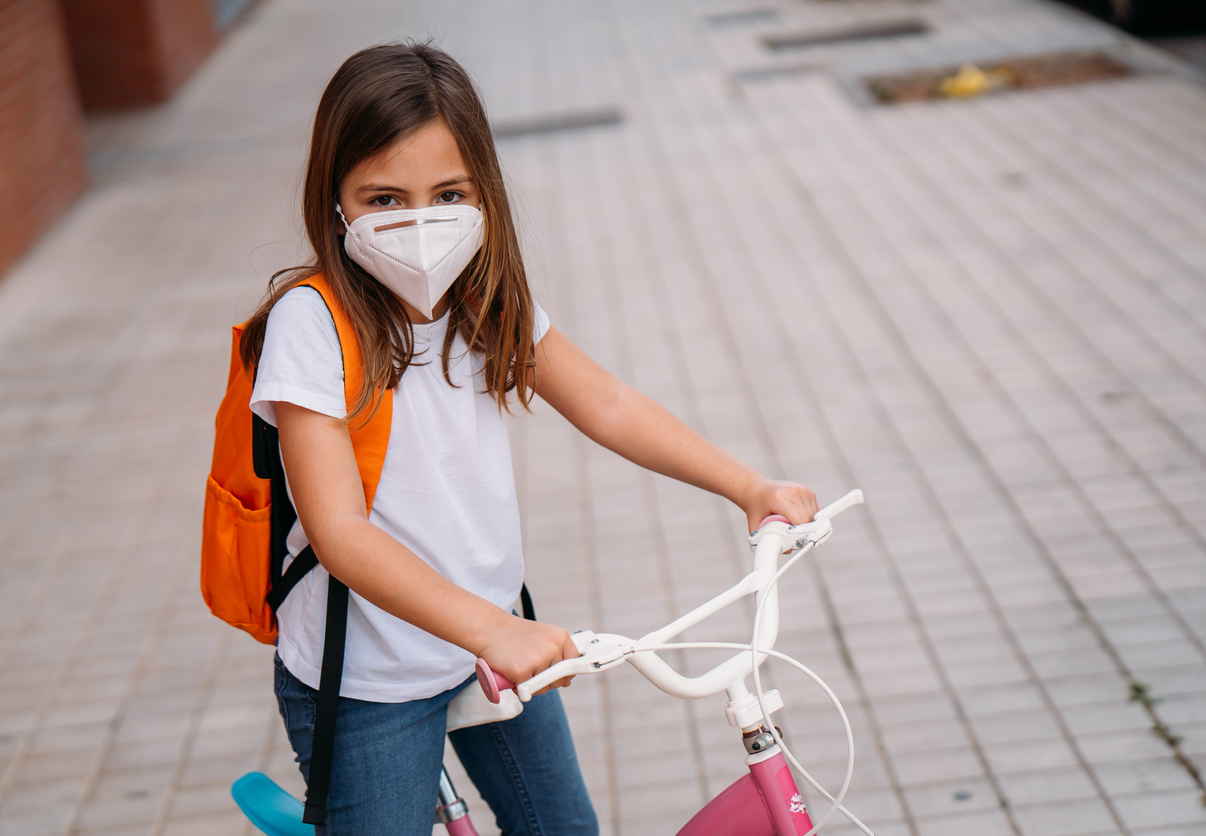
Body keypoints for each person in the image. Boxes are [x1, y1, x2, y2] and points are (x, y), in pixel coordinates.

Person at [240, 40, 818, 836]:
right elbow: (339, 533)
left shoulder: (481, 298)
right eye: (383, 199)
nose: (418, 223)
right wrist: (496, 631)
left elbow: (606, 403)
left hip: (490, 649)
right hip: (369, 678)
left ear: (484, 193)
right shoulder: (314, 322)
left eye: (447, 193)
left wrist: (747, 487)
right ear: (334, 198)